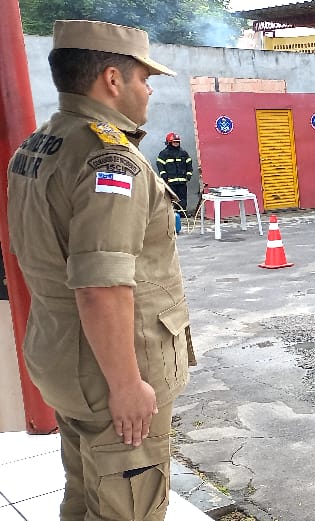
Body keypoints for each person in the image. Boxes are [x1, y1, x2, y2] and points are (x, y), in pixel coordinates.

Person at [7, 20, 191, 521]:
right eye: (143, 78)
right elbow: (101, 285)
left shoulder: (38, 145)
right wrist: (128, 386)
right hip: (110, 372)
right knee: (129, 507)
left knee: (87, 491)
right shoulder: (108, 160)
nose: (149, 89)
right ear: (112, 79)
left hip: (63, 358)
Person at [155, 132, 193, 211]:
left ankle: (182, 213)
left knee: (182, 198)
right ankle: (172, 214)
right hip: (170, 182)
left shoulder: (183, 153)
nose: (176, 143)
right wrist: (164, 175)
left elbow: (189, 164)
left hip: (182, 181)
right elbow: (160, 165)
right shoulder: (164, 154)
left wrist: (189, 175)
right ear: (169, 142)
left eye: (177, 142)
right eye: (174, 142)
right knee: (171, 199)